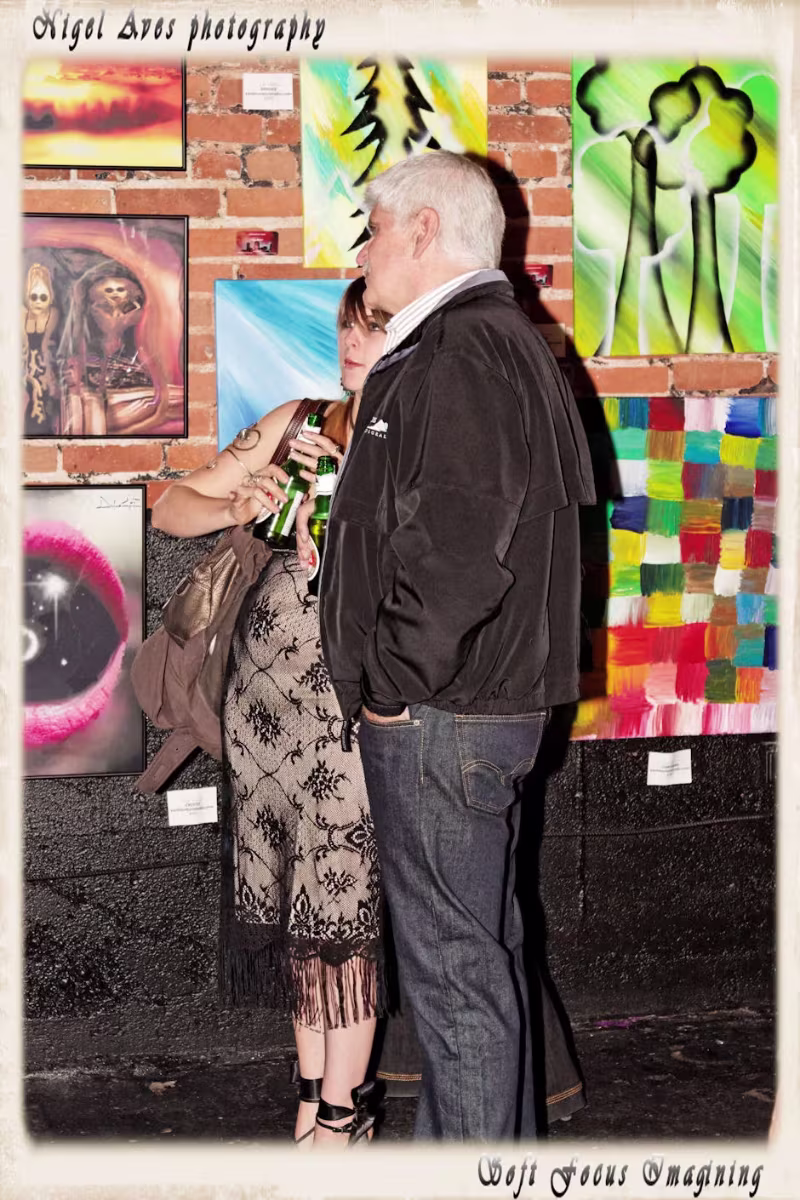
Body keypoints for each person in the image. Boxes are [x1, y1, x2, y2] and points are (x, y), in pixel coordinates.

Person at [300, 151, 596, 1141]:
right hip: (467, 705)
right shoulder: (484, 340)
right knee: (477, 966)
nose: (363, 251)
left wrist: (389, 686)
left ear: (423, 228)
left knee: (458, 985)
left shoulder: (460, 351)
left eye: (374, 228)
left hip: (442, 711)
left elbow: (459, 556)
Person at [152, 278, 399, 1148]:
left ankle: (342, 1114)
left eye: (374, 328)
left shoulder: (418, 437)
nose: (352, 343)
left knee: (343, 907)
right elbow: (170, 506)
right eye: (347, 327)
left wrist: (349, 531)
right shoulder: (300, 423)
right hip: (262, 704)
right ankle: (309, 1103)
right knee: (299, 906)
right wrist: (240, 503)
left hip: (348, 704)